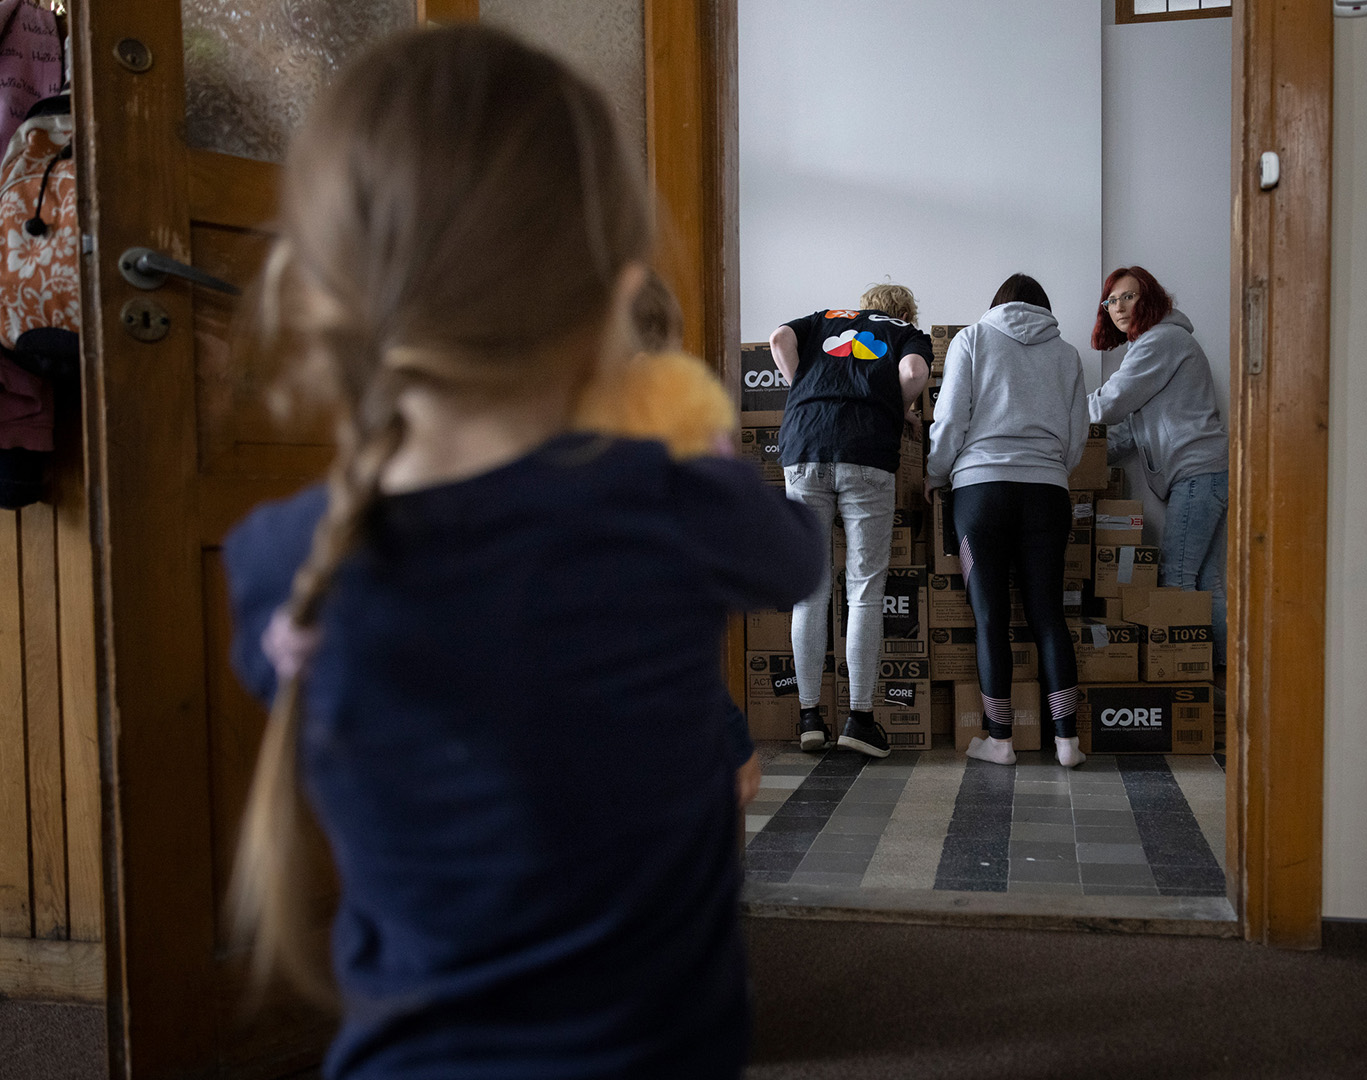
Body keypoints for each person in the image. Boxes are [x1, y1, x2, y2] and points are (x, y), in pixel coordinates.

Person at [222, 27, 825, 1080]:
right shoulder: (672, 507)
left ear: (317, 292)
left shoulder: (279, 562)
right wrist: (688, 435)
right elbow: (795, 558)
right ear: (614, 290)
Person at [925, 273, 1091, 768]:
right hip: (1047, 493)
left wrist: (935, 473)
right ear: (1044, 307)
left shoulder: (971, 339)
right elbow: (1078, 433)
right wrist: (1052, 469)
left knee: (990, 617)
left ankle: (1000, 740)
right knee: (1048, 614)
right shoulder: (1067, 354)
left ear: (996, 304)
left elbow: (950, 417)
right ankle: (1067, 742)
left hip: (981, 492)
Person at [770, 284, 931, 758]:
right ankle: (860, 719)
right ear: (904, 312)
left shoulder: (825, 317)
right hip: (866, 450)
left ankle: (808, 717)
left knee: (810, 588)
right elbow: (914, 371)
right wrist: (896, 408)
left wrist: (804, 388)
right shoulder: (906, 331)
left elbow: (779, 339)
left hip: (804, 445)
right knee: (864, 589)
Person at [1088, 265, 1229, 666]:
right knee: (1207, 583)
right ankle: (1222, 686)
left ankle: (1191, 677)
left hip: (1197, 474)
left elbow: (1109, 403)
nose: (1118, 306)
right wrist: (1088, 462)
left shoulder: (1160, 341)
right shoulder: (1155, 346)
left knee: (1177, 581)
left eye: (1128, 296)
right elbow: (1129, 432)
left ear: (1149, 297)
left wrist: (1052, 417)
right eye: (1111, 300)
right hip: (1209, 471)